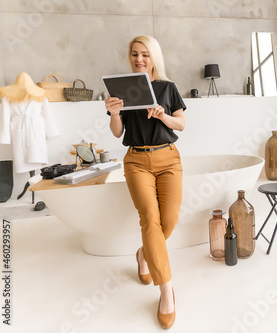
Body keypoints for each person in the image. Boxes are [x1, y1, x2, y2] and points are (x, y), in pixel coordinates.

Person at [105, 35, 186, 329]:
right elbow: (117, 132)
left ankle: (143, 253)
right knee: (150, 219)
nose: (139, 59)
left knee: (171, 219)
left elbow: (181, 124)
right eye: (134, 54)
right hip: (137, 160)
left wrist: (163, 115)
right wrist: (114, 113)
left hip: (168, 159)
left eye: (145, 54)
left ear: (154, 58)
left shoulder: (168, 88)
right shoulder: (123, 91)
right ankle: (166, 290)